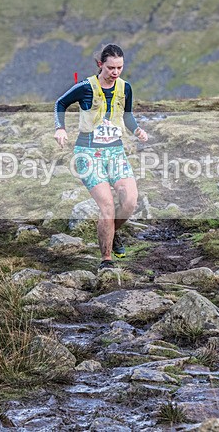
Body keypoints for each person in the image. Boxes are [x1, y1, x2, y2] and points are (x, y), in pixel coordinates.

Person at [54, 44, 149, 271]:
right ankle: (106, 260)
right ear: (100, 65)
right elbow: (60, 103)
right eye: (111, 68)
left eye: (120, 67)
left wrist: (137, 130)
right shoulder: (85, 86)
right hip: (87, 153)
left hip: (115, 151)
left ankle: (113, 232)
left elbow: (128, 116)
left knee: (130, 201)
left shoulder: (126, 88)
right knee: (107, 205)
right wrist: (60, 128)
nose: (115, 72)